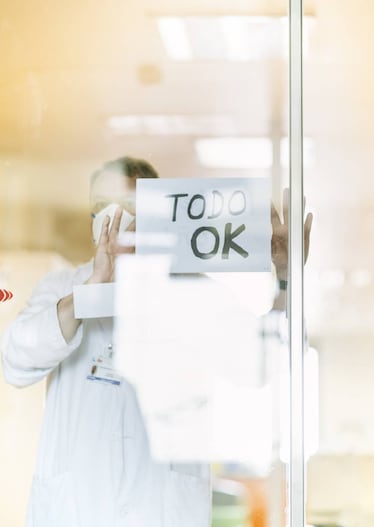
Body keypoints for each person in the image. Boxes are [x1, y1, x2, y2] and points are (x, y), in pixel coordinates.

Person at [1, 157, 312, 527]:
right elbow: (15, 363)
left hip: (162, 511)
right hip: (76, 511)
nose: (115, 217)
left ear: (160, 214)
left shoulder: (194, 292)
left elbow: (261, 367)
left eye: (131, 206)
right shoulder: (62, 288)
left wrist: (285, 281)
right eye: (102, 207)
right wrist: (91, 291)